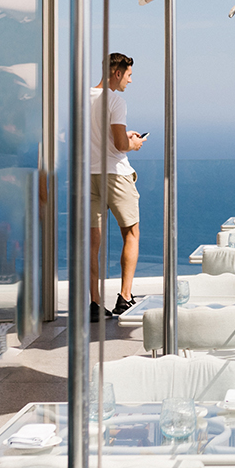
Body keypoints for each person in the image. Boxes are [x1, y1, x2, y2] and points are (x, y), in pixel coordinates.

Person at [91, 52, 147, 323]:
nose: (130, 81)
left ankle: (93, 303)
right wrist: (132, 143)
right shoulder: (115, 101)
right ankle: (125, 297)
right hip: (114, 173)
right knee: (131, 233)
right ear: (117, 73)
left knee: (92, 242)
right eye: (129, 75)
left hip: (87, 173)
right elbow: (118, 145)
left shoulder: (82, 98)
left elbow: (95, 136)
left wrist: (122, 136)